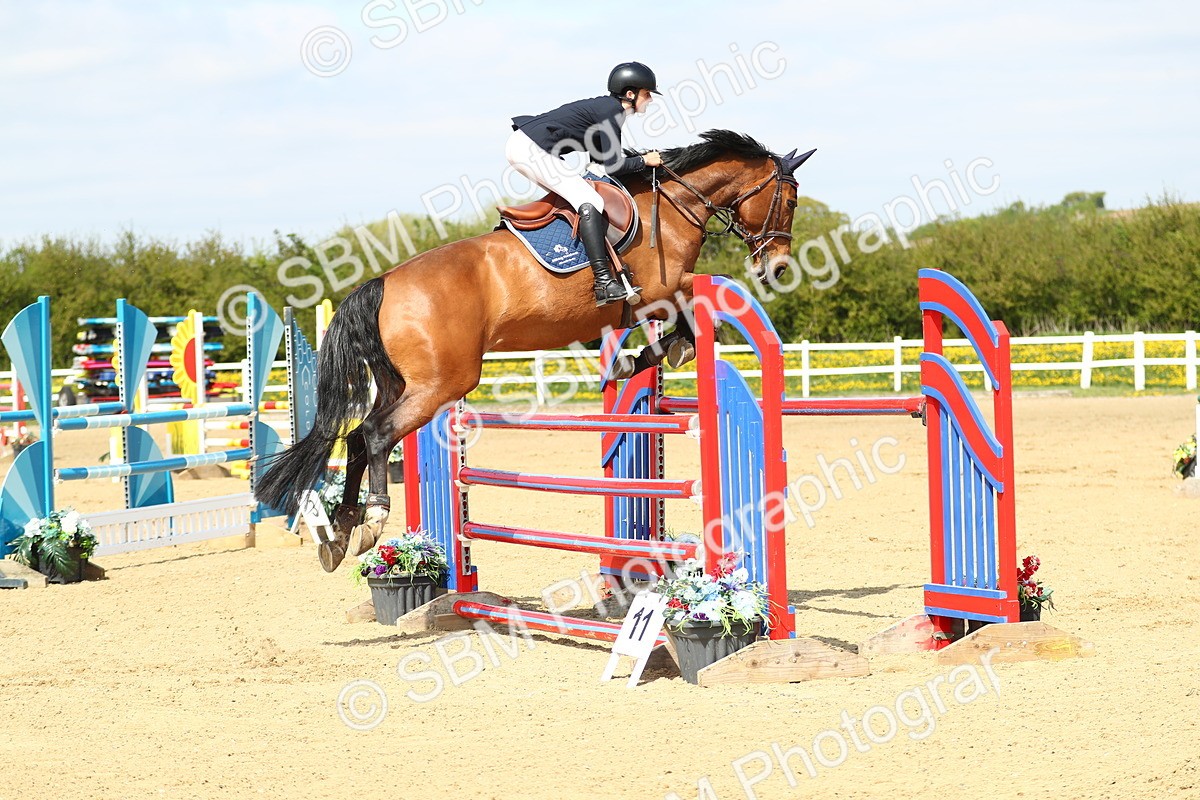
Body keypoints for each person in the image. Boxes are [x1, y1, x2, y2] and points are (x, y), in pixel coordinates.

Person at [506, 62, 664, 306]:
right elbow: (613, 165)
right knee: (590, 200)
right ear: (630, 95)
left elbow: (600, 163)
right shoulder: (612, 112)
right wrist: (644, 160)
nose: (650, 99)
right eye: (647, 93)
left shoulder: (607, 109)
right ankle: (603, 282)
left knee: (582, 194)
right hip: (531, 150)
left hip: (525, 146)